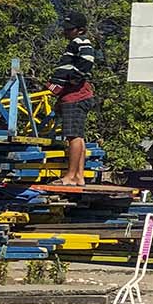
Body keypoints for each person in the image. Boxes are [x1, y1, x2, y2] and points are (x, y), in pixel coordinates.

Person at [49, 12, 96, 188]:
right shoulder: (74, 43)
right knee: (79, 136)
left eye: (70, 29)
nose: (66, 32)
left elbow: (87, 60)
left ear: (80, 30)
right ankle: (79, 176)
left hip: (75, 96)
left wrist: (73, 79)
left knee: (73, 136)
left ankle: (70, 176)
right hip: (73, 95)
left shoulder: (81, 42)